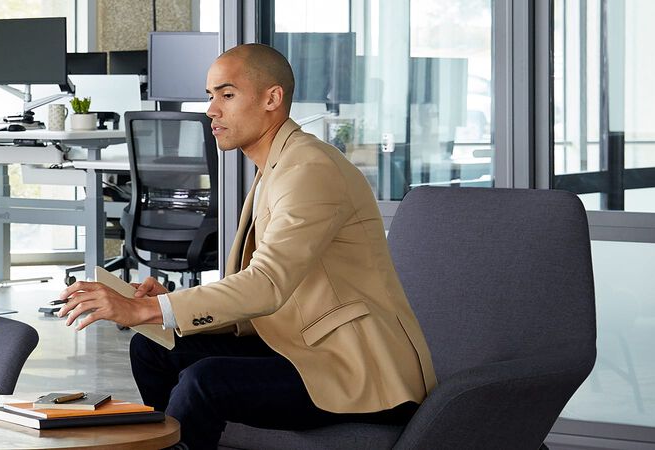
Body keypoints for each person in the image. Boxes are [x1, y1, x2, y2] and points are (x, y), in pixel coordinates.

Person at [52, 44, 436, 448]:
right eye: (210, 96)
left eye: (227, 95)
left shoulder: (310, 169)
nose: (211, 110)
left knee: (207, 381)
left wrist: (147, 307)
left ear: (272, 98)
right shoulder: (276, 165)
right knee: (152, 350)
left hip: (356, 367)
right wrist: (170, 306)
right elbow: (267, 294)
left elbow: (268, 282)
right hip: (296, 344)